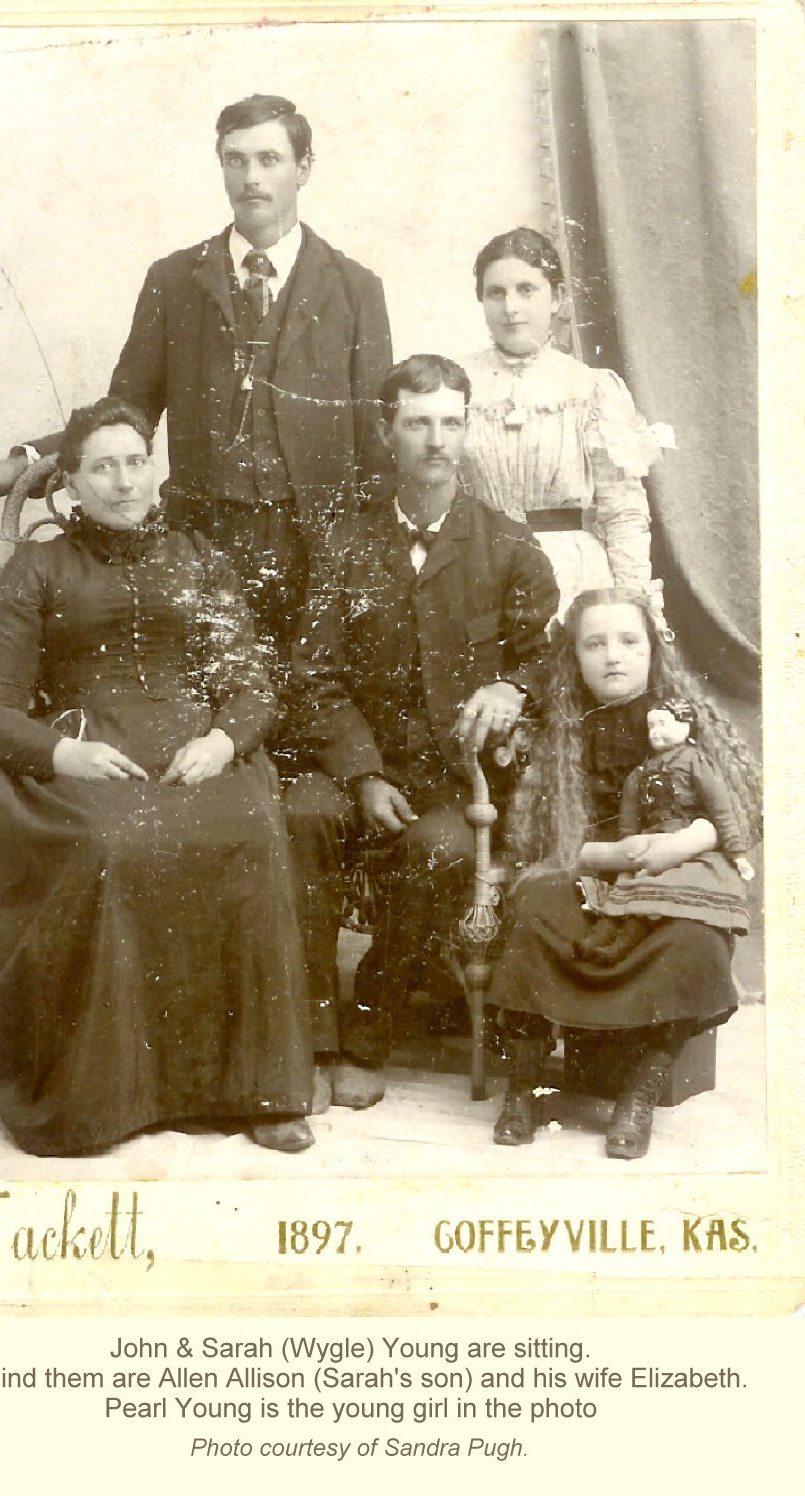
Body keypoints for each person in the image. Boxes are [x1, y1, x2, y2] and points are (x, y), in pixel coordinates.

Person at [0, 397, 315, 1157]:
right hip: (86, 754)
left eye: (136, 463)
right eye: (103, 468)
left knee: (250, 829)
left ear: (155, 471)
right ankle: (107, 1095)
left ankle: (260, 1089)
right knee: (111, 844)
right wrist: (64, 754)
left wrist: (222, 741)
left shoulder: (202, 560)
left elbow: (251, 683)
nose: (123, 483)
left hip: (193, 752)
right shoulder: (37, 568)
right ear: (71, 483)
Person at [0, 93, 392, 662]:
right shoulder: (175, 281)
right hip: (197, 546)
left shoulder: (355, 289)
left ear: (303, 168)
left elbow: (376, 448)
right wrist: (19, 465)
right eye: (235, 160)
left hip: (317, 556)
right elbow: (124, 412)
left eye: (269, 159)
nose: (251, 178)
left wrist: (363, 565)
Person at [286, 355, 558, 1108]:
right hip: (354, 762)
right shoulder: (343, 541)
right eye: (417, 423)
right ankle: (308, 1038)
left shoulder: (508, 545)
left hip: (455, 775)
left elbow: (546, 659)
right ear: (387, 433)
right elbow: (313, 673)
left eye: (450, 423)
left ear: (466, 431)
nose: (436, 440)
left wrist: (510, 686)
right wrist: (363, 773)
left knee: (440, 847)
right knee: (301, 816)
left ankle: (369, 1029)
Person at [487, 587, 761, 1160]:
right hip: (583, 868)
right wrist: (615, 857)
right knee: (535, 914)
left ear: (652, 649)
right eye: (595, 644)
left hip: (670, 875)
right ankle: (524, 1087)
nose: (613, 655)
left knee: (695, 937)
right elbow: (540, 838)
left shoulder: (686, 718)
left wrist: (687, 840)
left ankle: (639, 1095)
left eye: (629, 641)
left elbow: (743, 807)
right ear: (574, 655)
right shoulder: (559, 728)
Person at [461, 227, 666, 622]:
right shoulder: (458, 383)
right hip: (482, 566)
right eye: (496, 293)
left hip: (572, 575)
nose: (511, 307)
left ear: (556, 298)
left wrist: (634, 604)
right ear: (481, 300)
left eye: (526, 290)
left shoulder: (590, 388)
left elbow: (623, 512)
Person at [575, 696, 755, 961]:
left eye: (663, 724)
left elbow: (721, 809)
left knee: (657, 889)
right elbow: (629, 819)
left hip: (688, 847)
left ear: (685, 726)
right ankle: (593, 942)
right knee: (626, 887)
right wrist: (627, 852)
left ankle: (617, 949)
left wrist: (737, 854)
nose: (655, 732)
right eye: (651, 726)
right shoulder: (641, 771)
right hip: (649, 843)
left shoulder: (695, 761)